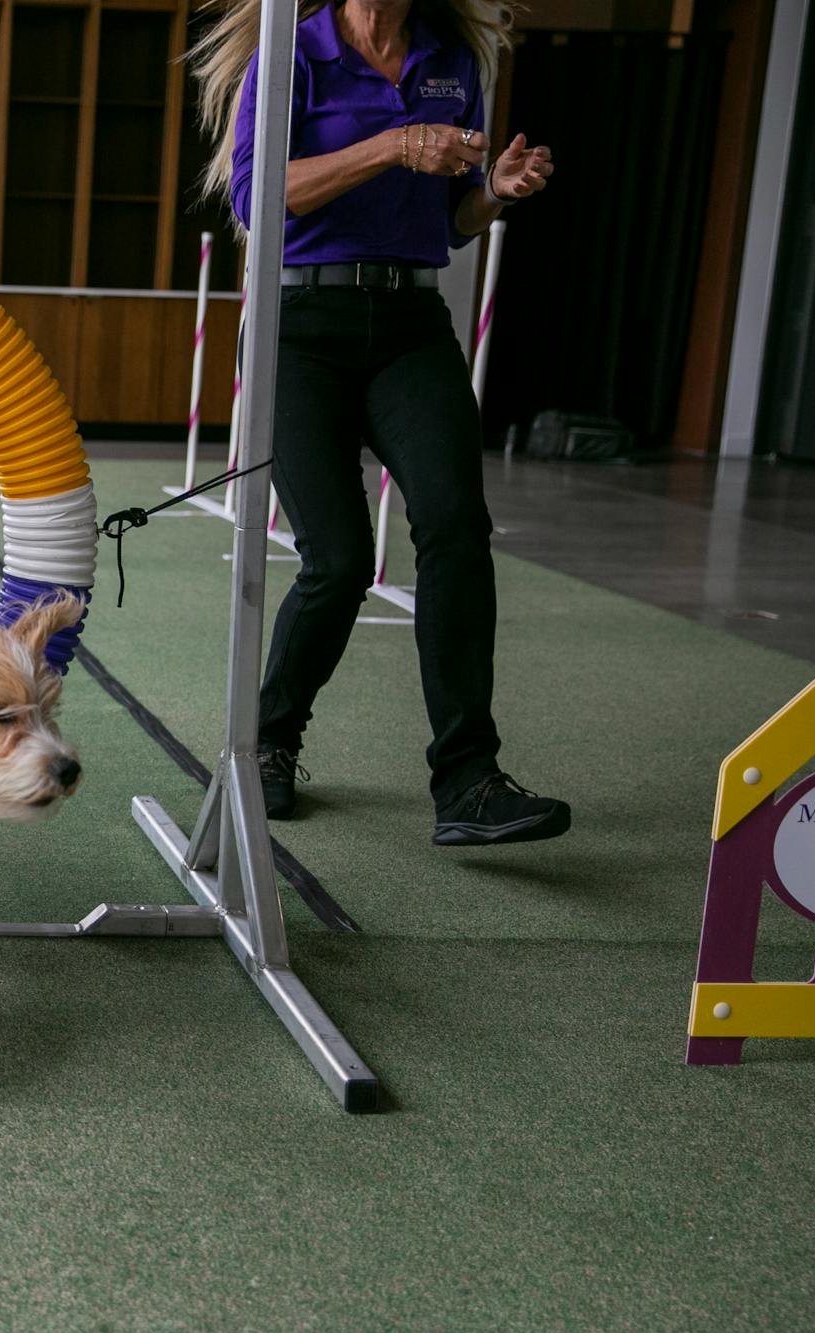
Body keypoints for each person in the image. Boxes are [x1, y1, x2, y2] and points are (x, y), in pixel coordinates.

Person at [198, 0, 566, 846]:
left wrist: (493, 194)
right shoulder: (296, 50)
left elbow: (451, 219)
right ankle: (269, 744)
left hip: (409, 324)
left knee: (456, 528)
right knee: (337, 559)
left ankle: (469, 780)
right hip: (302, 327)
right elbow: (262, 197)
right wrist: (395, 147)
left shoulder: (449, 59)